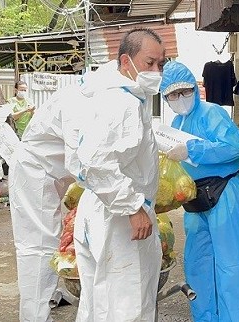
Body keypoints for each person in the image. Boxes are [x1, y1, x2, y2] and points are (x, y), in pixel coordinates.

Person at [8, 59, 118, 321]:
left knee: (56, 239)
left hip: (52, 174)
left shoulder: (89, 96)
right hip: (35, 173)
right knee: (37, 247)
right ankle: (35, 316)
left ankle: (51, 295)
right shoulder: (78, 104)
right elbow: (80, 161)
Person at [72, 28, 166, 322]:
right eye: (149, 63)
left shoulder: (126, 95)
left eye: (161, 64)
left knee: (102, 303)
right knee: (128, 304)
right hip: (118, 218)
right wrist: (132, 207)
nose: (156, 71)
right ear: (126, 61)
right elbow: (95, 162)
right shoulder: (119, 101)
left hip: (106, 209)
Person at [160, 60, 239, 322]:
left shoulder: (212, 113)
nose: (179, 98)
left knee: (231, 265)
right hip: (194, 201)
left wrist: (193, 149)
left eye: (184, 91)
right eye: (172, 94)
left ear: (194, 88)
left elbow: (233, 147)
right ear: (165, 97)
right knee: (198, 264)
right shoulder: (176, 123)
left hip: (224, 192)